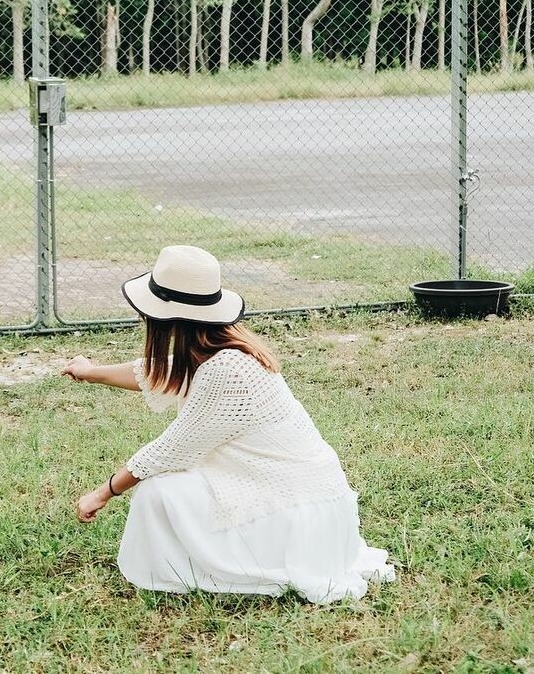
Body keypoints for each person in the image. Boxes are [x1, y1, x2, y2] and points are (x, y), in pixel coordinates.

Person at [62, 245, 394, 604]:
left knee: (158, 493)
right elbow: (163, 372)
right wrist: (91, 372)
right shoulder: (217, 349)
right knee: (173, 489)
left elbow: (168, 451)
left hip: (301, 512)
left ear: (168, 318)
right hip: (306, 499)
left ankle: (219, 567)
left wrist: (103, 493)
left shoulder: (228, 371)